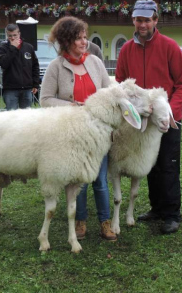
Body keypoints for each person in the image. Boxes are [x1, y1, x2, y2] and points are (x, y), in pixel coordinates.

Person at [115, 0, 182, 234]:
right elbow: (120, 84)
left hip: (166, 121)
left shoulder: (170, 47)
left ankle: (172, 213)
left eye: (147, 20)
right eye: (138, 20)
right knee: (149, 165)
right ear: (133, 21)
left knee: (168, 165)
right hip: (140, 120)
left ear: (155, 20)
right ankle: (157, 207)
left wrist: (172, 112)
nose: (142, 24)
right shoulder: (127, 49)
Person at [40, 16, 116, 241]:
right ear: (67, 41)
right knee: (77, 180)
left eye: (85, 37)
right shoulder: (56, 67)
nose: (85, 42)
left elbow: (108, 92)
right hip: (72, 133)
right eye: (79, 38)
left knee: (100, 180)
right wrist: (71, 106)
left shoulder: (95, 62)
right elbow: (45, 99)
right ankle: (80, 221)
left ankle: (105, 221)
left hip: (99, 134)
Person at [0, 24, 39, 110]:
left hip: (27, 88)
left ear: (19, 34)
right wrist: (13, 48)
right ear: (7, 35)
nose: (12, 38)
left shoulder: (28, 47)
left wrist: (35, 83)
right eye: (10, 36)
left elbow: (35, 66)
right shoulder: (3, 48)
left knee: (26, 117)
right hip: (10, 89)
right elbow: (4, 64)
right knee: (12, 117)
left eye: (15, 35)